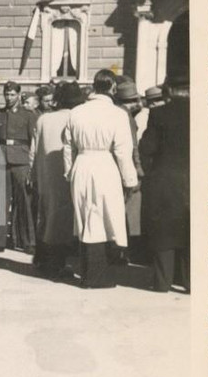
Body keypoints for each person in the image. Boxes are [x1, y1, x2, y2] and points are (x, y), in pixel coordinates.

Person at [62, 69, 139, 289]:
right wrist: (130, 181)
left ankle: (89, 274)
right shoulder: (117, 114)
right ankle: (99, 276)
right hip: (105, 166)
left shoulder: (76, 112)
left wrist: (69, 172)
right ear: (113, 88)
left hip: (82, 165)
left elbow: (68, 147)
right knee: (106, 218)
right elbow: (124, 151)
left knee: (86, 217)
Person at [139, 72, 189, 293]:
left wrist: (150, 172)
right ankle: (191, 282)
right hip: (195, 179)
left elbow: (147, 148)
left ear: (169, 90)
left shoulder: (159, 114)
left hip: (164, 179)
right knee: (192, 229)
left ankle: (162, 282)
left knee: (164, 230)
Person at [29, 82, 84, 277]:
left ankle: (41, 257)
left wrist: (33, 175)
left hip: (45, 175)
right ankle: (57, 263)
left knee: (45, 216)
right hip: (68, 175)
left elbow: (33, 152)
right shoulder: (76, 117)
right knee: (63, 220)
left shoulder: (44, 119)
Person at [0, 81, 37, 254]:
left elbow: (34, 142)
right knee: (1, 201)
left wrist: (32, 167)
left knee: (25, 203)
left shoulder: (28, 115)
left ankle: (29, 241)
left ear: (18, 95)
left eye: (12, 94)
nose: (9, 97)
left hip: (21, 161)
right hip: (1, 161)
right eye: (6, 94)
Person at [113, 80, 146, 263]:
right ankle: (124, 252)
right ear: (131, 101)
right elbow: (133, 147)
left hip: (113, 166)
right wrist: (138, 169)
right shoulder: (128, 118)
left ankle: (119, 250)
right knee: (129, 212)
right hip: (128, 169)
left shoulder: (115, 113)